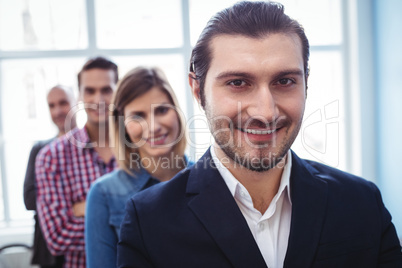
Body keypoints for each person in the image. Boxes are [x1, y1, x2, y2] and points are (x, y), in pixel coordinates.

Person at [117, 2, 402, 268]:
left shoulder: (362, 203)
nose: (265, 112)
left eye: (285, 81)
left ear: (306, 84)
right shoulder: (148, 221)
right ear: (197, 90)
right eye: (238, 82)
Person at [85, 66, 193, 268]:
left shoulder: (209, 180)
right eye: (138, 116)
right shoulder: (104, 194)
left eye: (161, 110)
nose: (153, 126)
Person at [35, 56, 119, 268]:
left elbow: (155, 223)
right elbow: (57, 237)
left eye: (106, 90)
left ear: (118, 92)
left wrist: (89, 209)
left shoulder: (141, 149)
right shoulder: (52, 156)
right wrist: (126, 219)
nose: (98, 98)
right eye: (90, 90)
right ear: (80, 95)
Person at [24, 85, 76, 268]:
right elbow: (30, 199)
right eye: (51, 105)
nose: (58, 111)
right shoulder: (41, 151)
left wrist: (55, 200)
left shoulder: (93, 148)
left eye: (63, 103)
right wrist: (77, 205)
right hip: (49, 252)